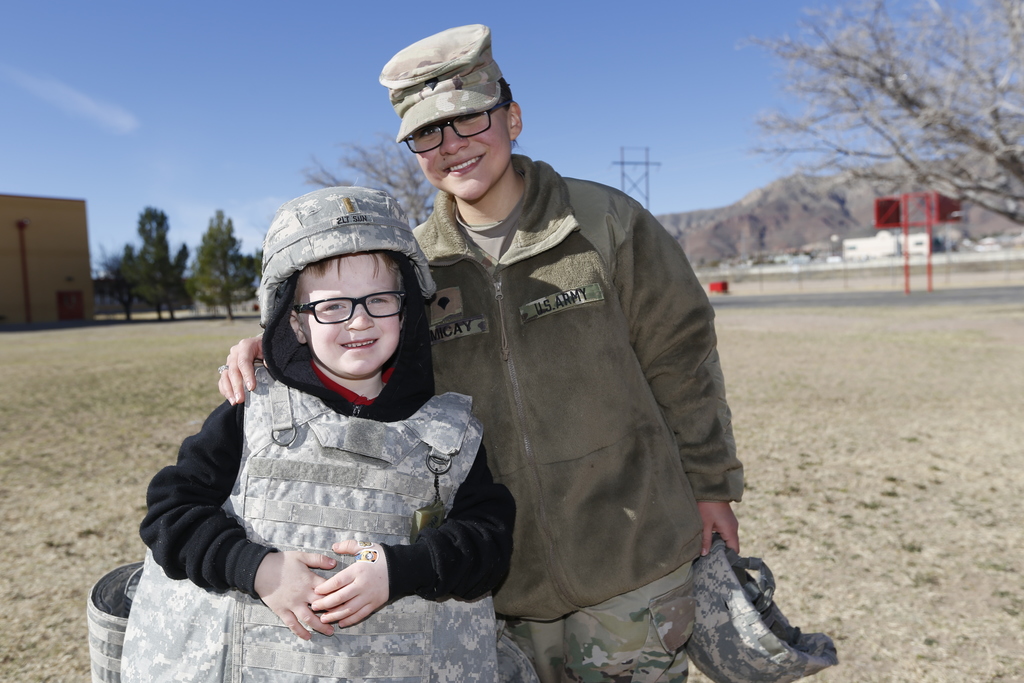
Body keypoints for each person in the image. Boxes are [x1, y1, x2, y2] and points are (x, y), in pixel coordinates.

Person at [220, 25, 744, 682]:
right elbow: (359, 365)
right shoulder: (411, 268)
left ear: (513, 117)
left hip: (631, 564)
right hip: (496, 589)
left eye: (470, 119)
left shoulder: (605, 223)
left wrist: (713, 484)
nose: (453, 146)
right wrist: (274, 349)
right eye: (427, 134)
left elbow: (683, 360)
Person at [121, 186, 528, 683]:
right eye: (332, 307)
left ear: (407, 312)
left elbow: (488, 542)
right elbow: (170, 515)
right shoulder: (250, 412)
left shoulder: (452, 433)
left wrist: (404, 570)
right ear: (296, 323)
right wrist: (258, 569)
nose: (359, 320)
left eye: (379, 300)